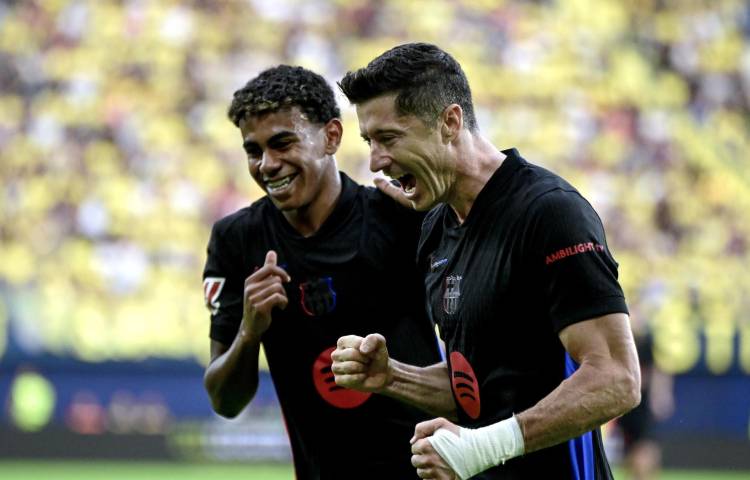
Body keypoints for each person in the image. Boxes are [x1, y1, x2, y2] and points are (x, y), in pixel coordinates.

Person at [331, 42, 641, 479]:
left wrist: (481, 447)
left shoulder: (549, 213)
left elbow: (616, 379)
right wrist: (390, 377)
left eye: (388, 138)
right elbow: (478, 386)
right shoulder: (436, 229)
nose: (376, 162)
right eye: (369, 141)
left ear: (450, 122)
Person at [201, 65, 442, 480]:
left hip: (426, 470)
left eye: (282, 143)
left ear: (331, 136)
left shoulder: (397, 216)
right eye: (253, 151)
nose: (267, 165)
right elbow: (225, 401)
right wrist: (249, 329)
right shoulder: (236, 240)